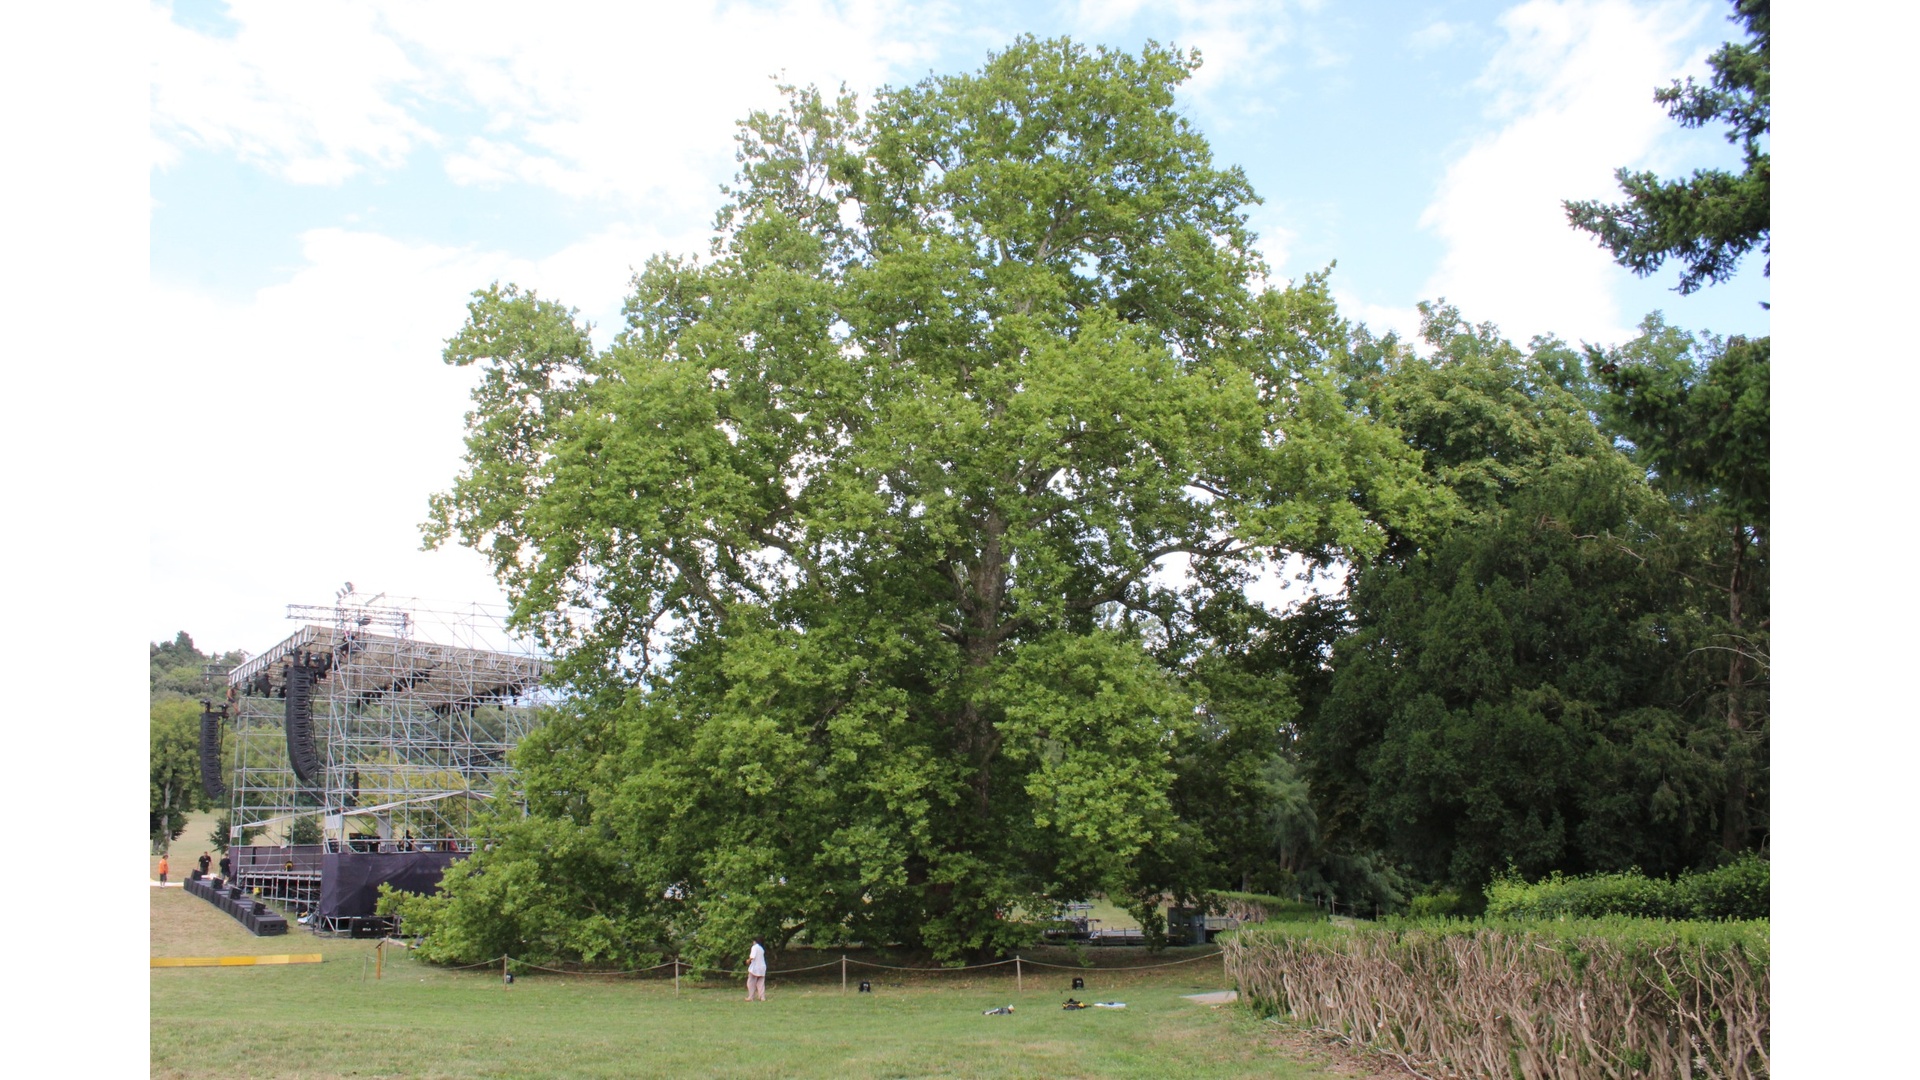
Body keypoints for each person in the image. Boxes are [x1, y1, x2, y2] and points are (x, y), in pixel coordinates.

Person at [746, 937, 767, 1001]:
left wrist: (748, 961)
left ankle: (751, 997)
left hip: (755, 967)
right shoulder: (761, 948)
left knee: (751, 982)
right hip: (762, 967)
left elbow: (752, 956)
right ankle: (762, 997)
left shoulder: (755, 947)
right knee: (760, 983)